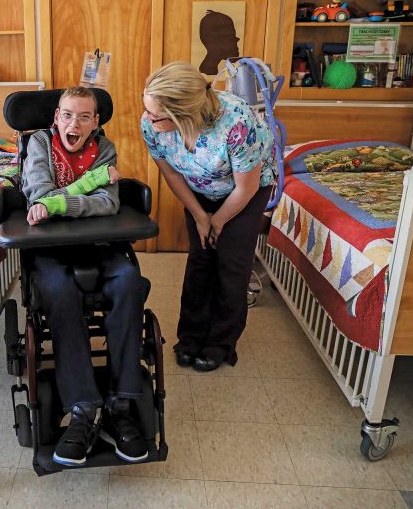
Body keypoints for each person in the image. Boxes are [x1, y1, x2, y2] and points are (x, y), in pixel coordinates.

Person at [22, 86, 149, 467]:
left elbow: (109, 203)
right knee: (59, 291)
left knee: (128, 282)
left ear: (95, 123)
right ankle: (82, 408)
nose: (73, 123)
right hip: (48, 247)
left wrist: (60, 204)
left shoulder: (103, 150)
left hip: (100, 245)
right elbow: (39, 194)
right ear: (55, 118)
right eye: (66, 115)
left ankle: (121, 404)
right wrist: (82, 196)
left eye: (83, 117)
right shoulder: (39, 146)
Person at [141, 61, 276, 372]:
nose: (147, 119)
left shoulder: (235, 121)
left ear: (182, 114)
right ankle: (190, 337)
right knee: (201, 256)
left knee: (230, 262)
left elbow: (247, 186)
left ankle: (221, 343)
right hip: (197, 190)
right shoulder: (152, 124)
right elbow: (172, 175)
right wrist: (200, 215)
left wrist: (218, 220)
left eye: (155, 115)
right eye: (147, 109)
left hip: (245, 193)